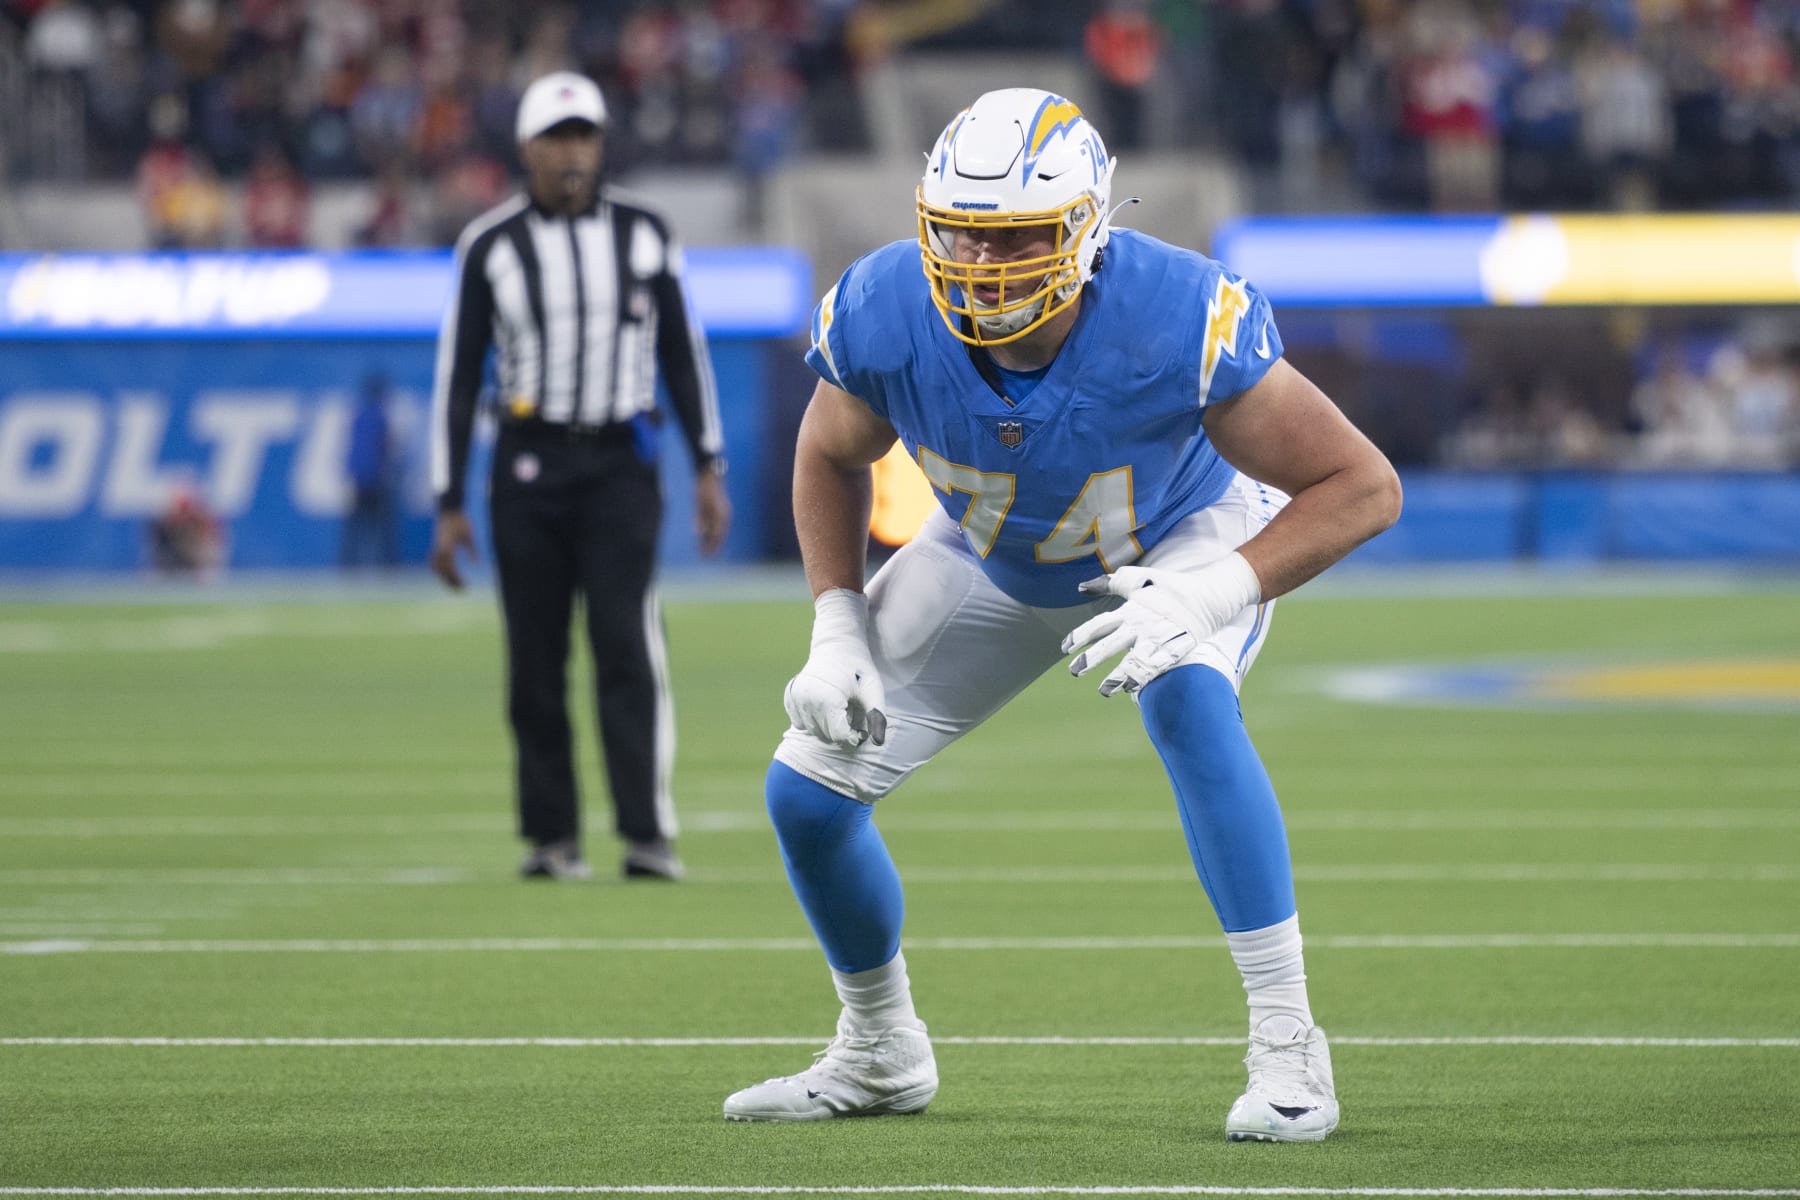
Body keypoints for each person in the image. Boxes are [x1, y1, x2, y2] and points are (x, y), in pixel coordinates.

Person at [721, 89, 1401, 1142]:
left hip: (1175, 538)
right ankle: (880, 1048)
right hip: (989, 553)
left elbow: (1363, 485)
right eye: (964, 236)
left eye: (1020, 238)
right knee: (806, 794)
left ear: (1086, 229)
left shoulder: (1176, 312)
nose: (986, 267)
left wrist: (1211, 591)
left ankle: (1287, 1041)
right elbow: (826, 449)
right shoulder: (885, 305)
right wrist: (836, 625)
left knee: (1186, 700)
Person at [429, 71, 731, 883]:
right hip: (526, 466)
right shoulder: (489, 244)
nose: (573, 152)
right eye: (557, 137)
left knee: (627, 642)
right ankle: (551, 837)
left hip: (620, 465)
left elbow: (681, 350)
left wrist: (708, 463)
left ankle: (646, 831)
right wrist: (449, 498)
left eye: (584, 135)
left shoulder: (643, 230)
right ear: (526, 148)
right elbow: (459, 374)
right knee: (534, 655)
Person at [341, 373, 400, 570]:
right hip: (376, 480)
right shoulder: (381, 418)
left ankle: (348, 568)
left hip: (358, 480)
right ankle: (387, 567)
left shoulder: (357, 416)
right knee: (382, 529)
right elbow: (388, 447)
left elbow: (353, 451)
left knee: (355, 529)